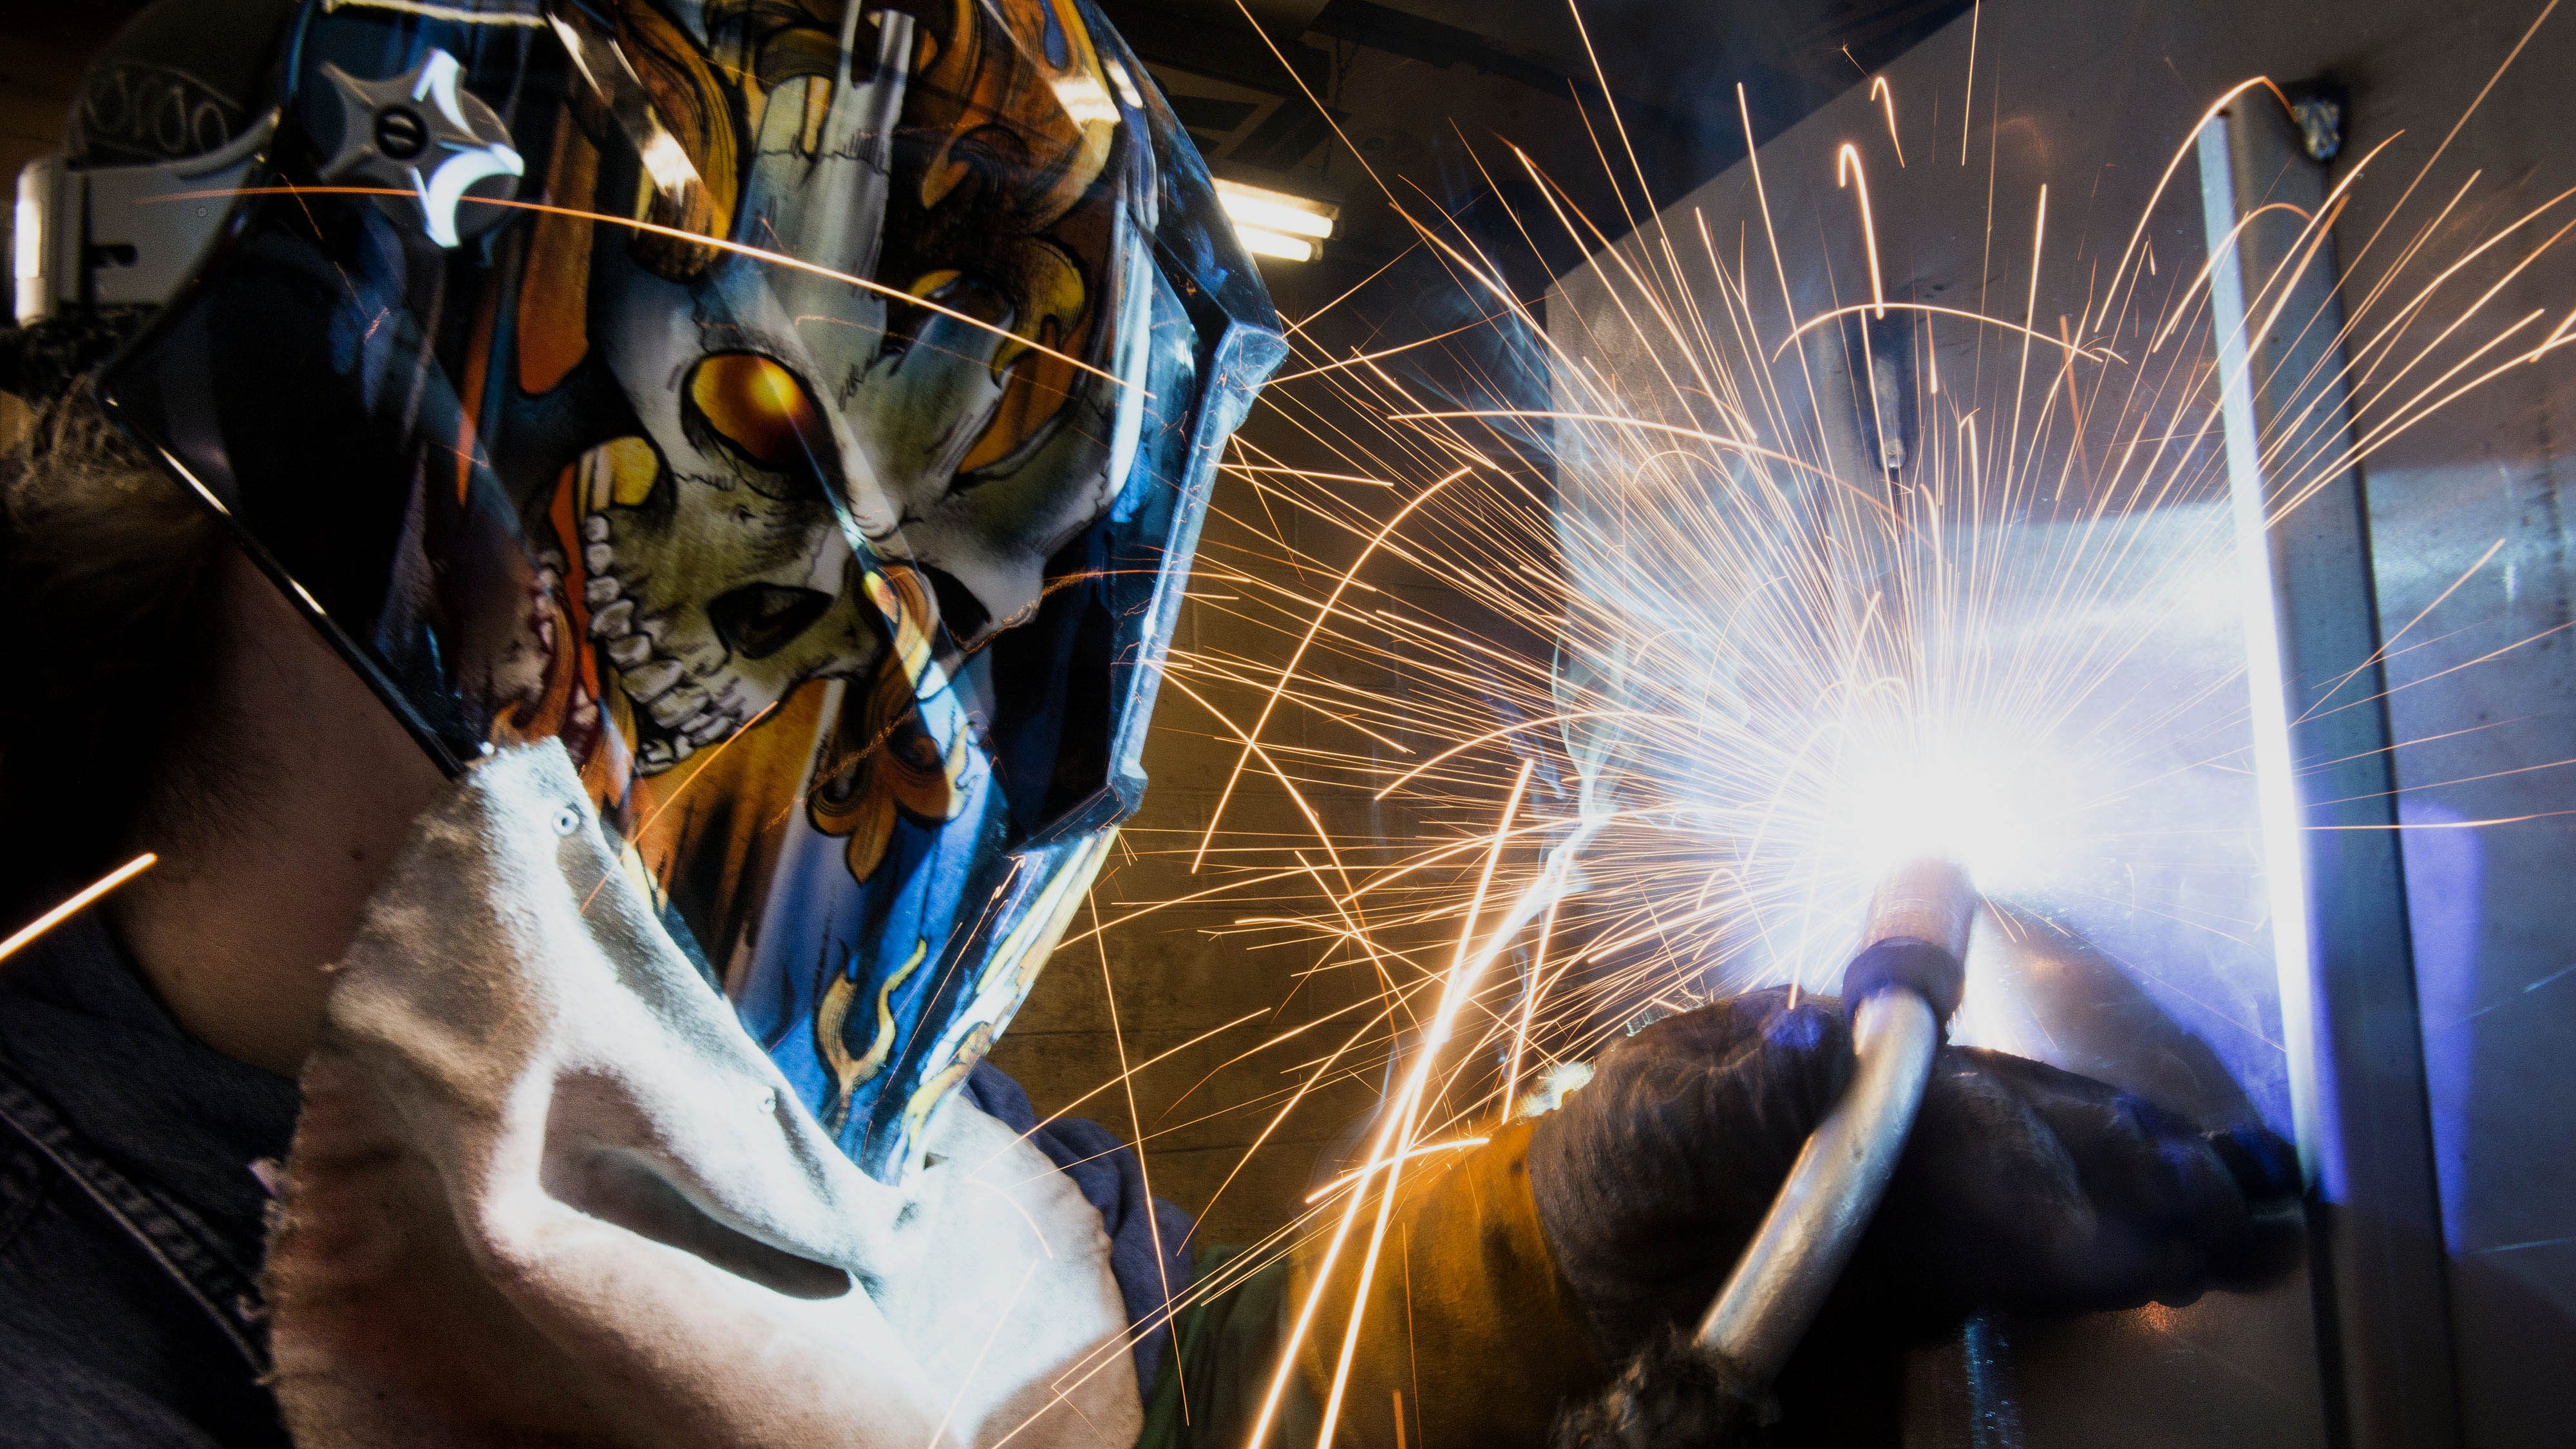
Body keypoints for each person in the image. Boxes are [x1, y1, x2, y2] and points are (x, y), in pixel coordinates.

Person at [0, 1, 2302, 1446]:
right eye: (847, 467)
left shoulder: (857, 1142)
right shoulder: (55, 1342)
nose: (949, 709)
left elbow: (1166, 1408)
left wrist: (1571, 1249)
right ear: (399, 454)